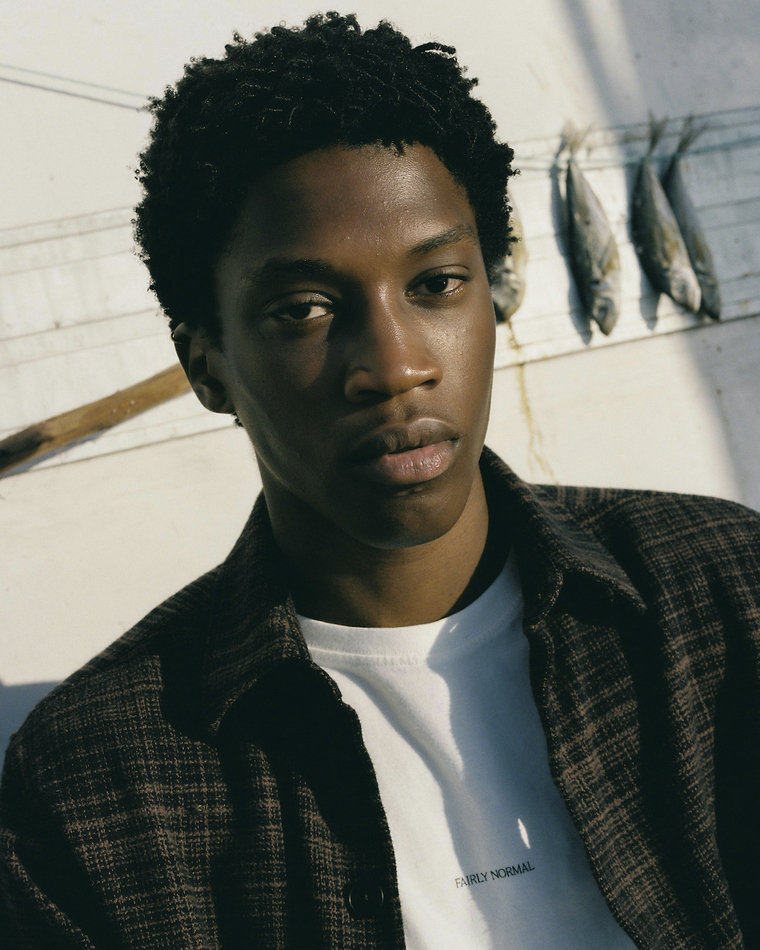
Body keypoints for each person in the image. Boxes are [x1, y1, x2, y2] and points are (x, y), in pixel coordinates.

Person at [1, 12, 759, 950]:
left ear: (492, 298)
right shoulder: (99, 786)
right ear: (207, 368)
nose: (395, 366)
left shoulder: (721, 591)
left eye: (436, 284)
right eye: (304, 310)